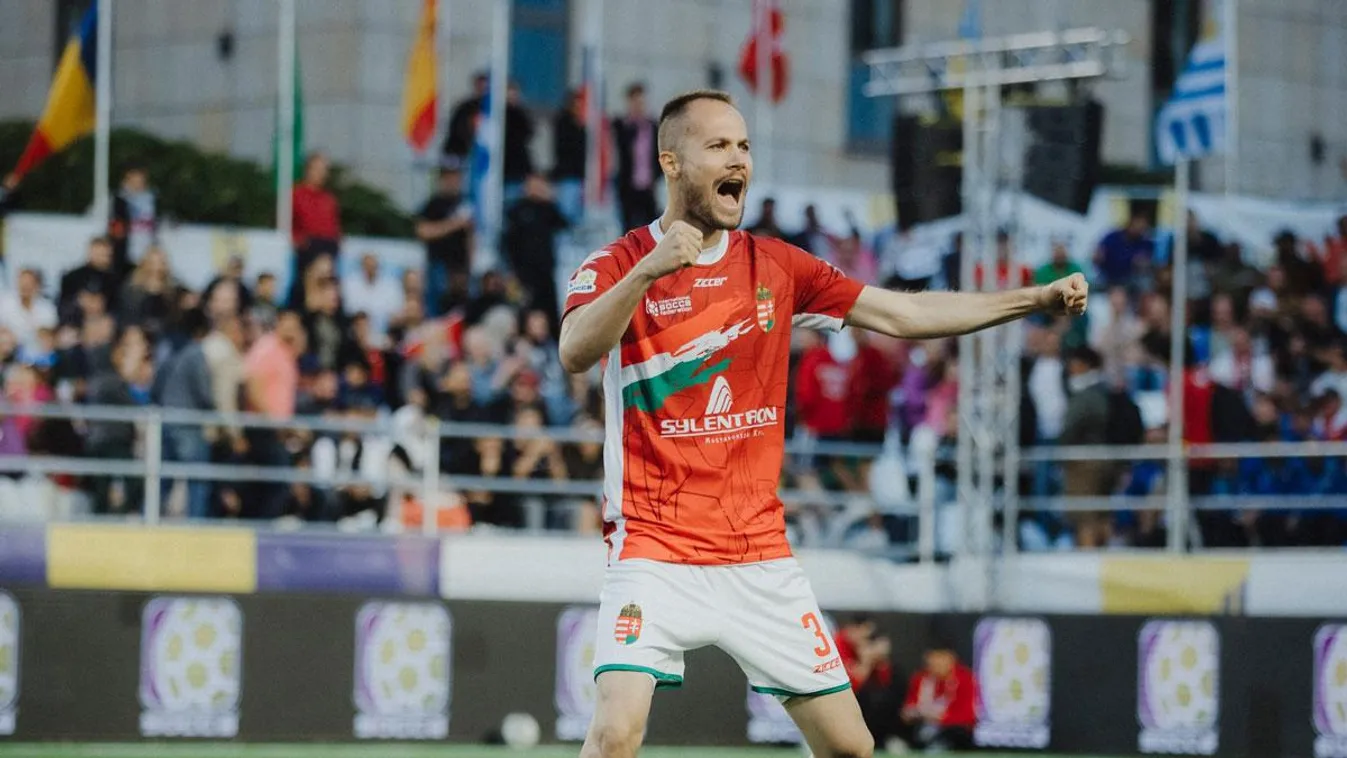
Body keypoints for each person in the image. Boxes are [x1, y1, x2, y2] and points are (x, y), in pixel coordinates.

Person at [558, 89, 1087, 758]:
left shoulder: (778, 267)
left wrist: (1031, 299)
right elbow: (575, 350)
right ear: (671, 162)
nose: (738, 160)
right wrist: (645, 274)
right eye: (718, 146)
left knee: (851, 748)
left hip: (757, 556)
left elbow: (902, 314)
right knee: (614, 734)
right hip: (653, 549)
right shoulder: (616, 263)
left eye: (744, 146)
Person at [900, 646, 978, 752]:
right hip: (924, 723)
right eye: (932, 661)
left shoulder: (965, 679)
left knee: (957, 731)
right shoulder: (920, 678)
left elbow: (967, 716)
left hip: (950, 727)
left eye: (940, 659)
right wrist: (911, 713)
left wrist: (941, 718)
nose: (936, 664)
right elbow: (910, 705)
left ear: (951, 659)